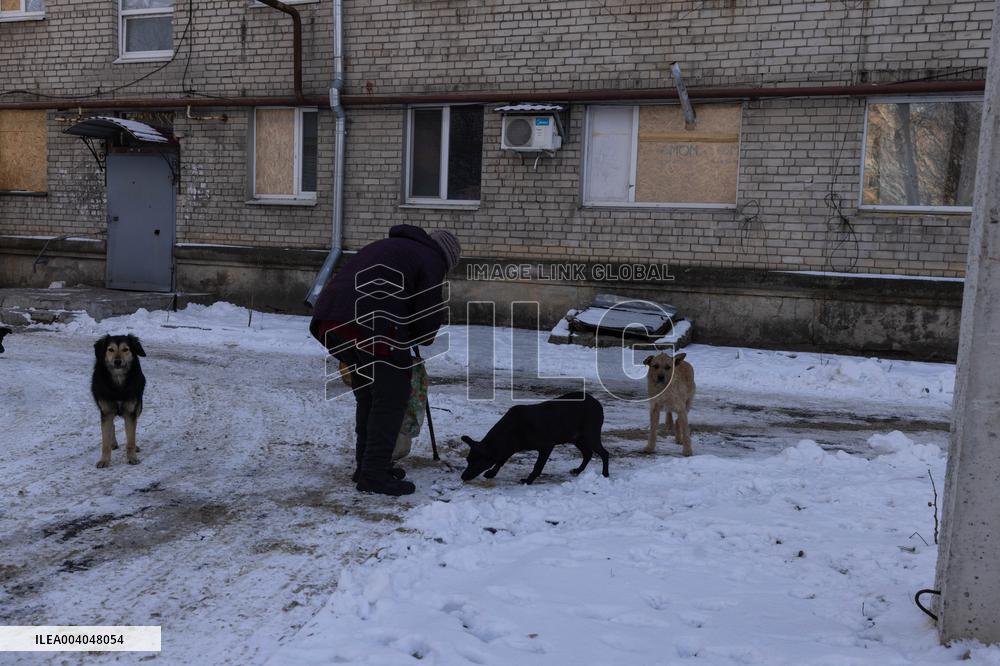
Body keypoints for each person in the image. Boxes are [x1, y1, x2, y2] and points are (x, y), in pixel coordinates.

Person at [310, 225, 461, 496]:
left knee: (370, 394)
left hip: (332, 320)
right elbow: (426, 314)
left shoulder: (395, 247)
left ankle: (366, 467)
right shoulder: (430, 259)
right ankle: (374, 475)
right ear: (447, 257)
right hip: (368, 323)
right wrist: (418, 338)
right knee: (392, 395)